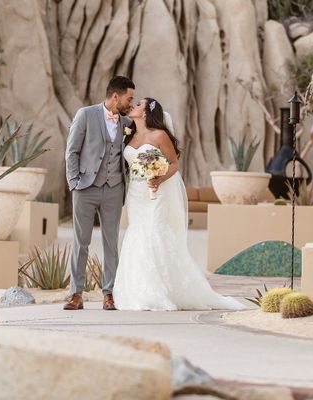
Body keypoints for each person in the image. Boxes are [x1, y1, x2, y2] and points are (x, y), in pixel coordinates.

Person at [113, 98, 245, 311]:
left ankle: (162, 289)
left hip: (158, 192)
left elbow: (174, 164)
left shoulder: (160, 135)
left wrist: (158, 178)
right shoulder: (128, 135)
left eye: (139, 104)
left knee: (155, 231)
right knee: (137, 233)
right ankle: (139, 289)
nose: (134, 106)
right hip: (136, 193)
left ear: (146, 112)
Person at [63, 76, 135, 311]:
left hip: (114, 189)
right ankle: (76, 294)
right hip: (85, 187)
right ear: (116, 96)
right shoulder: (86, 115)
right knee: (80, 242)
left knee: (111, 243)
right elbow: (72, 151)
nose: (131, 103)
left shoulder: (127, 123)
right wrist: (74, 182)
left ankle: (109, 293)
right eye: (129, 98)